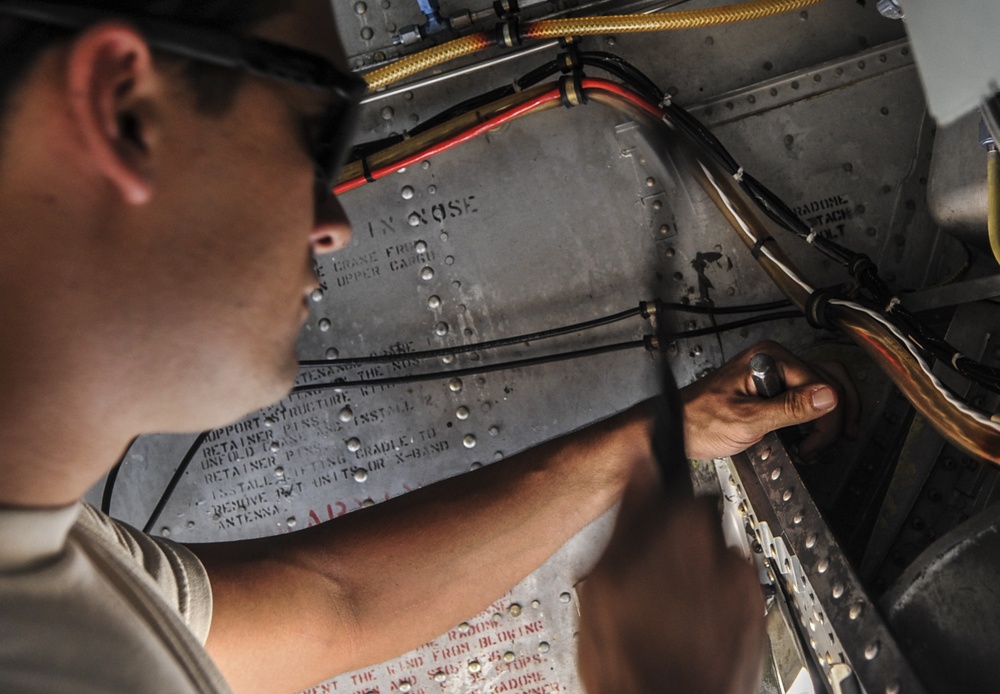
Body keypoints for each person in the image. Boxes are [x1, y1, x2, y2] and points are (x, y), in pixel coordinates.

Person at [0, 1, 860, 692]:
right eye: (313, 134)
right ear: (125, 110)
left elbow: (335, 604)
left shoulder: (62, 560)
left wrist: (659, 437)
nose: (333, 225)